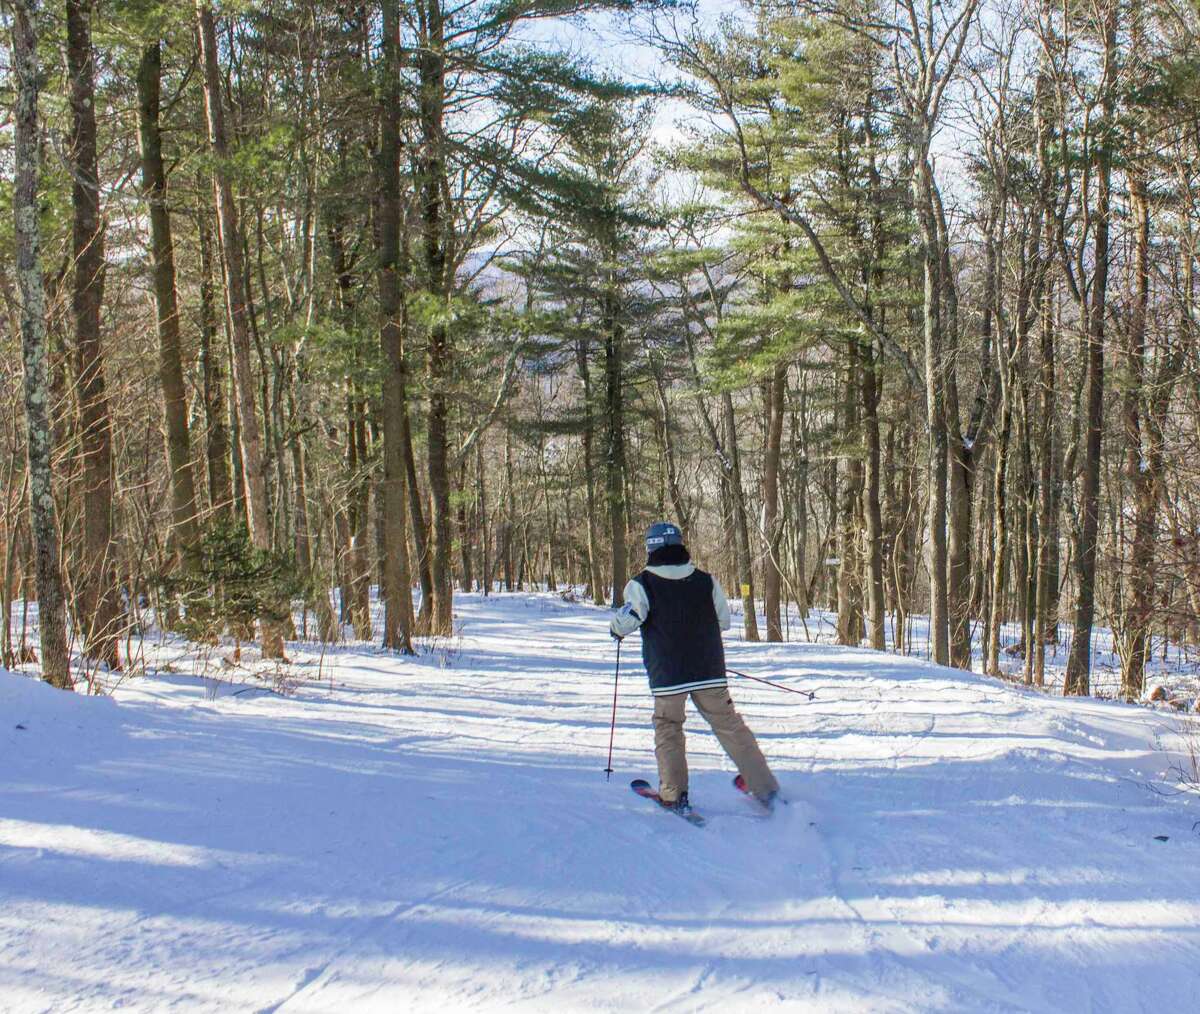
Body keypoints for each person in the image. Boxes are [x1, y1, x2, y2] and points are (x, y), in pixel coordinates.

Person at [610, 521, 781, 814]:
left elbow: (627, 620)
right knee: (730, 726)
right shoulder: (706, 580)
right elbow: (724, 621)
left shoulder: (642, 584)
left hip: (668, 674)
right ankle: (765, 788)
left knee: (668, 727)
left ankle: (674, 793)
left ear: (651, 548)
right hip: (708, 669)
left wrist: (616, 629)